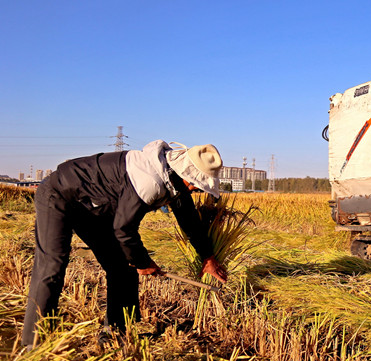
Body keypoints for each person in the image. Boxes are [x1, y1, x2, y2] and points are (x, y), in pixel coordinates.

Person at [22, 140, 228, 348]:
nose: (194, 188)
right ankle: (34, 345)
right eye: (194, 181)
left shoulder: (175, 181)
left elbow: (189, 220)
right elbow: (123, 229)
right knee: (52, 266)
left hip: (95, 207)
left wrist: (207, 257)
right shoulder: (150, 181)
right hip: (59, 196)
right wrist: (143, 262)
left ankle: (116, 333)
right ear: (183, 171)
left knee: (123, 266)